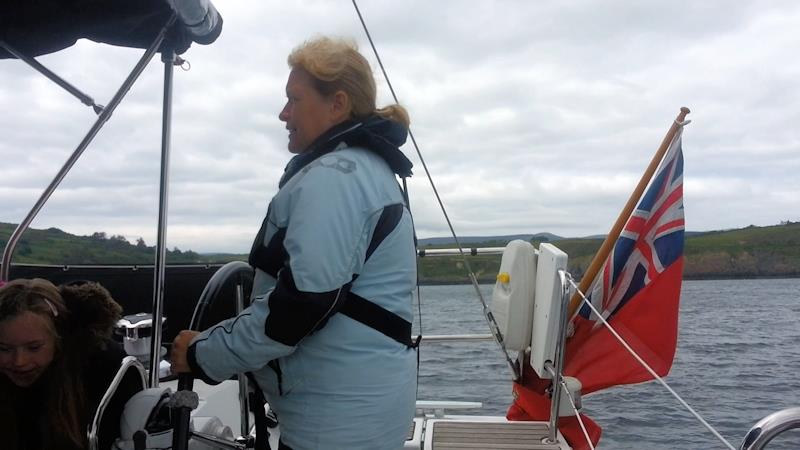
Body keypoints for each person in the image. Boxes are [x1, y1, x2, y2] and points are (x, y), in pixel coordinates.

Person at [170, 36, 418, 449]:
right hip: (353, 411)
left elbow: (298, 308)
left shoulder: (336, 179)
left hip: (337, 424)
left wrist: (201, 354)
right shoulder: (361, 171)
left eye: (294, 100)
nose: (283, 113)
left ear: (337, 104)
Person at [0, 278, 135, 450]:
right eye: (4, 349)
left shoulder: (105, 373)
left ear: (59, 338)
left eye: (34, 348)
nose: (19, 361)